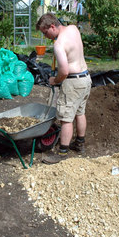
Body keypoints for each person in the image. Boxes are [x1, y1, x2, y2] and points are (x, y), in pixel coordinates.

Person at [36, 13, 91, 164]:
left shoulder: (58, 44)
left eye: (45, 32)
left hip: (72, 82)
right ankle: (80, 144)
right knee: (80, 112)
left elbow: (64, 71)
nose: (45, 36)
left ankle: (62, 153)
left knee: (66, 118)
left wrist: (55, 80)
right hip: (85, 78)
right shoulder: (73, 28)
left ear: (52, 26)